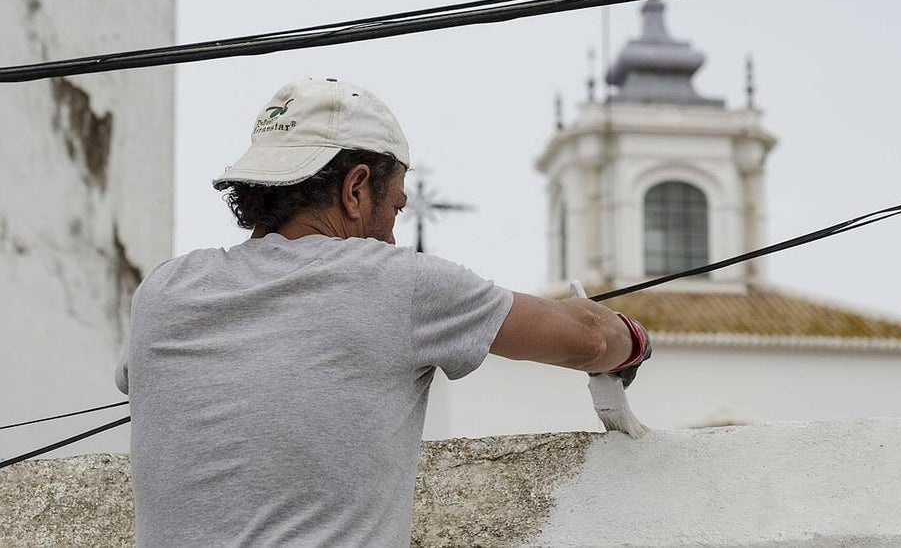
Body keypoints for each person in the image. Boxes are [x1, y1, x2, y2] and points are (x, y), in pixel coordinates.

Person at [114, 76, 650, 547]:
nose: (394, 235)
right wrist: (634, 341)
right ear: (355, 189)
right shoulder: (396, 283)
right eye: (394, 206)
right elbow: (589, 339)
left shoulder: (163, 291)